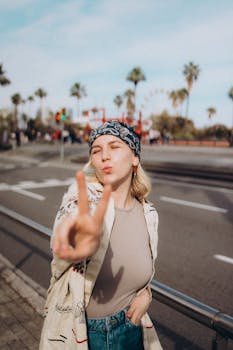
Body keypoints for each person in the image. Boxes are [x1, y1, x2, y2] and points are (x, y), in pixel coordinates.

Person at [39, 120, 162, 350]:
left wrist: (146, 294)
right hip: (86, 334)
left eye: (115, 147)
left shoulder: (148, 213)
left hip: (132, 330)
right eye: (96, 150)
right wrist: (76, 239)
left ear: (135, 157)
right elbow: (66, 232)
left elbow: (141, 269)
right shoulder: (83, 205)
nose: (104, 155)